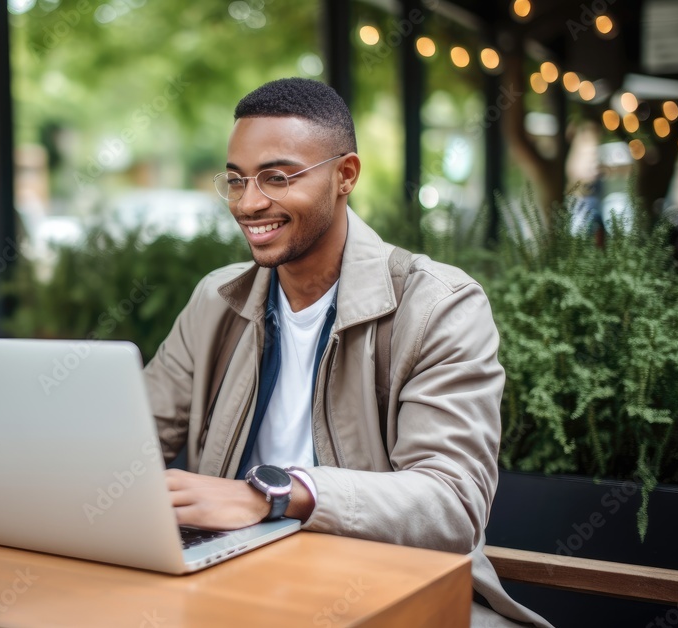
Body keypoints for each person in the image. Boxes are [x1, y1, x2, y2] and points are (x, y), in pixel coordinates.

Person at [142, 78, 552, 628]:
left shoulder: (438, 305)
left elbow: (452, 504)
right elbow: (131, 438)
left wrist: (273, 495)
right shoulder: (216, 300)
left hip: (388, 592)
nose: (249, 203)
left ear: (346, 175)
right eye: (236, 181)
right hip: (235, 583)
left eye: (277, 177)